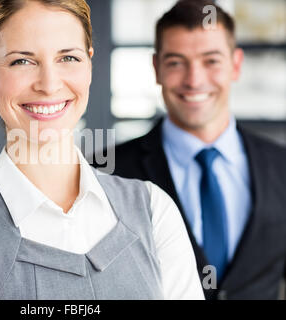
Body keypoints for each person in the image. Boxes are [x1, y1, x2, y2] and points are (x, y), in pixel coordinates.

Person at [0, 0, 204, 300]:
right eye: (22, 61)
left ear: (90, 64)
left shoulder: (154, 210)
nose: (49, 84)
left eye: (68, 57)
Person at [98, 0, 286, 299]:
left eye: (211, 61)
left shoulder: (280, 166)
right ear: (156, 68)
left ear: (236, 64)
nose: (194, 80)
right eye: (175, 62)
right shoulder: (104, 172)